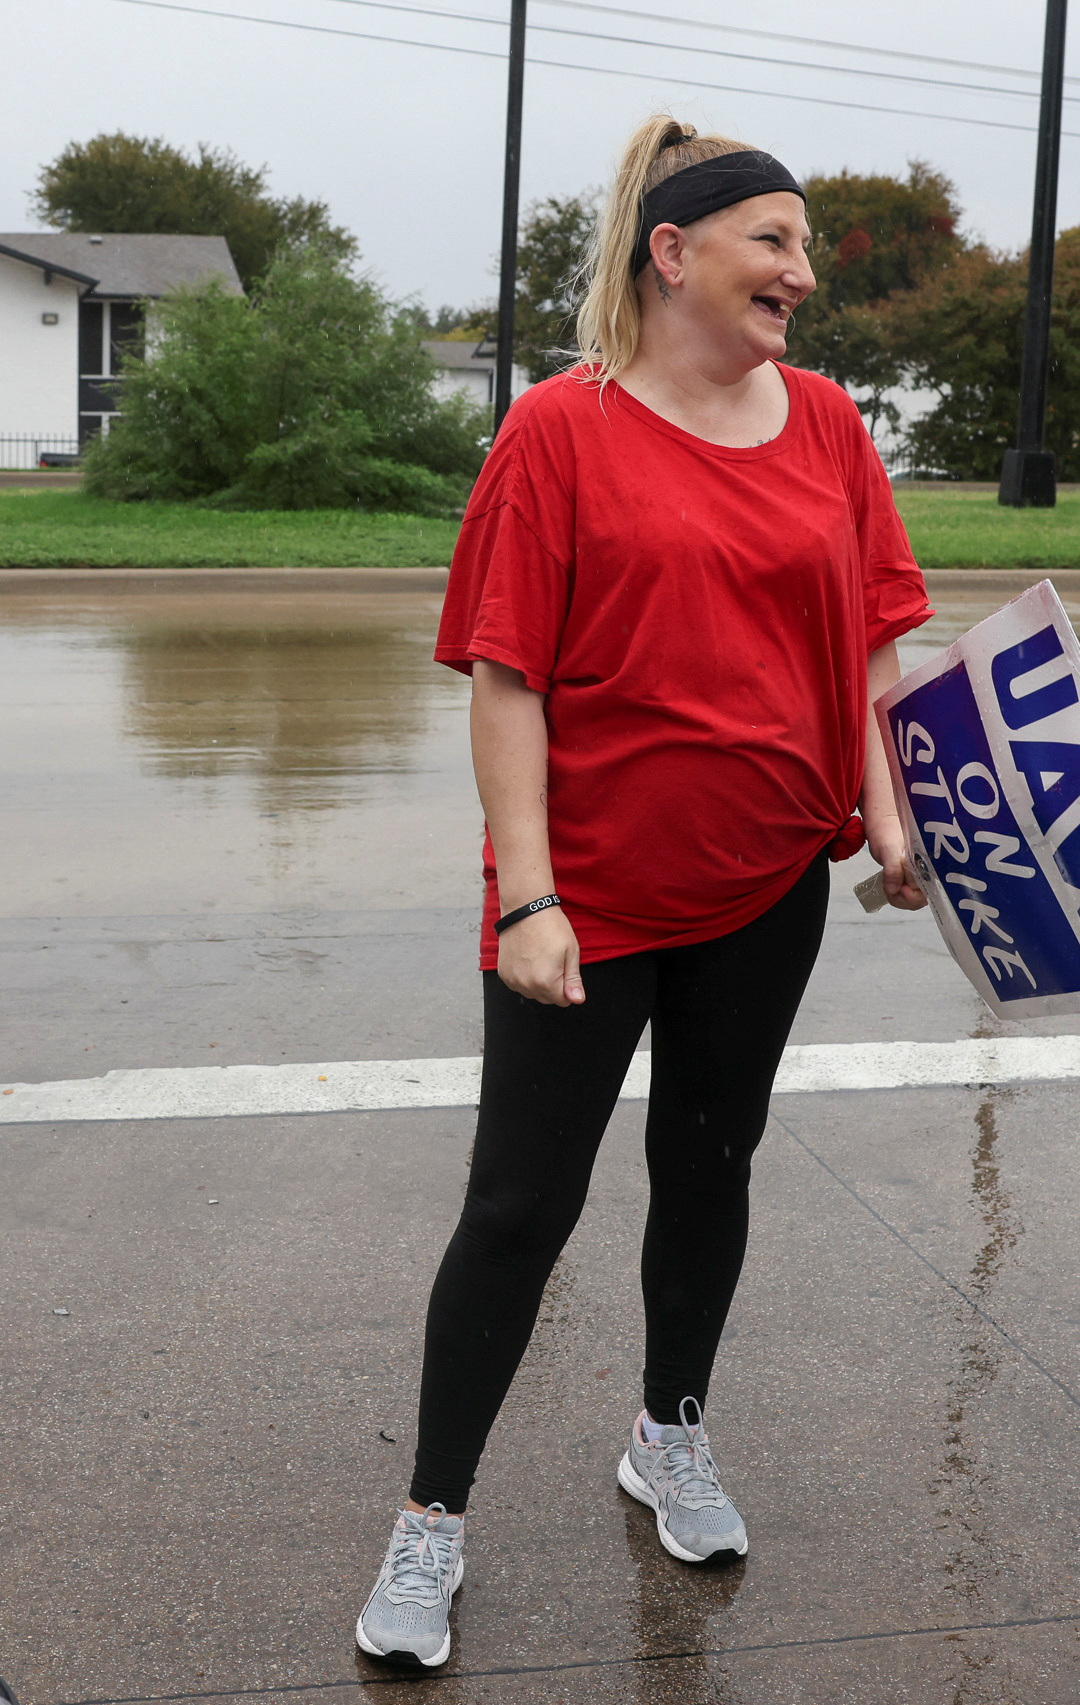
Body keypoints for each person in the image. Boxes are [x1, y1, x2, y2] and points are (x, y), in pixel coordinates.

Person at [350, 117, 933, 1671]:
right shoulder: (560, 430)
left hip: (763, 886)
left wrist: (889, 818)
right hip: (588, 903)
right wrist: (529, 898)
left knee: (709, 1168)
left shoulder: (825, 427)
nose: (801, 278)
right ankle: (431, 1521)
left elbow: (873, 643)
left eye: (803, 251)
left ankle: (668, 1433)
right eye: (774, 244)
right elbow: (504, 679)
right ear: (672, 253)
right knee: (521, 1208)